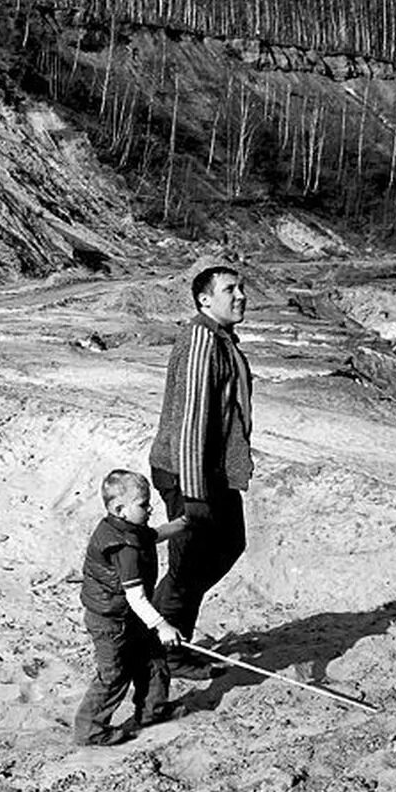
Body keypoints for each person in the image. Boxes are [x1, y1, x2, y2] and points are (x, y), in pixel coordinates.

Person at [149, 265, 252, 678]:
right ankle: (167, 649)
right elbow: (190, 420)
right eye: (230, 289)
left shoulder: (222, 339)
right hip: (185, 472)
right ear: (204, 299)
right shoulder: (200, 338)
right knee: (189, 563)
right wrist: (194, 495)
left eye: (242, 288)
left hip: (212, 473)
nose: (241, 295)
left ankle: (162, 627)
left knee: (228, 544)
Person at [74, 469, 186, 746]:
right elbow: (136, 596)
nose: (150, 508)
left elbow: (154, 535)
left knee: (153, 658)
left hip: (129, 616)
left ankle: (152, 711)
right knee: (114, 673)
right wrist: (162, 625)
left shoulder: (127, 529)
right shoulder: (123, 546)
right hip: (110, 621)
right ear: (120, 509)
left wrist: (184, 524)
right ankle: (90, 730)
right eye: (143, 504)